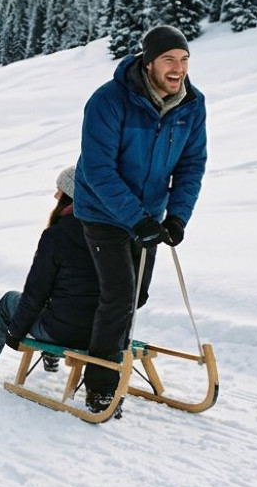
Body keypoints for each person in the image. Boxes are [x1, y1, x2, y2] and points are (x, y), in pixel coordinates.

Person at [74, 24, 207, 418]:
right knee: (119, 293)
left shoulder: (192, 105)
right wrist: (137, 218)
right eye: (169, 59)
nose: (178, 68)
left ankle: (97, 343)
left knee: (136, 297)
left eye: (184, 60)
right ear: (149, 63)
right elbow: (98, 170)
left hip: (147, 215)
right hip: (102, 209)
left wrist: (178, 216)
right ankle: (99, 385)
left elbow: (191, 164)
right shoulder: (109, 100)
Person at [0, 165, 99, 375]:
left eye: (59, 189)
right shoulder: (107, 235)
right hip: (100, 331)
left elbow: (36, 292)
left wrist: (15, 332)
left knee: (10, 301)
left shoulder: (57, 236)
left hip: (61, 332)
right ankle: (50, 357)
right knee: (67, 296)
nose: (55, 194)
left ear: (69, 195)